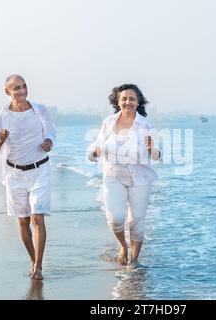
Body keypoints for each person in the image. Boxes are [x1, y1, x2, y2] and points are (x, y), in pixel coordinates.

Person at [0, 74, 56, 280]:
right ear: (8, 92)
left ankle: (39, 267)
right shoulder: (2, 116)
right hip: (14, 174)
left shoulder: (40, 110)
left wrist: (49, 142)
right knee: (23, 221)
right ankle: (33, 259)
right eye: (16, 88)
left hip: (40, 170)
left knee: (38, 217)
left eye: (24, 86)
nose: (22, 90)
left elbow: (51, 131)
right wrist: (0, 141)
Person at [88, 84, 161, 269]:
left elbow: (158, 156)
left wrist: (151, 148)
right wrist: (94, 152)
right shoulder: (109, 122)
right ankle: (123, 246)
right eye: (124, 99)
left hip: (140, 178)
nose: (128, 102)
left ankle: (134, 261)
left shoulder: (145, 125)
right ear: (118, 102)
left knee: (136, 220)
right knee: (116, 218)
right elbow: (95, 147)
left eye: (132, 99)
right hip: (113, 175)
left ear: (138, 102)